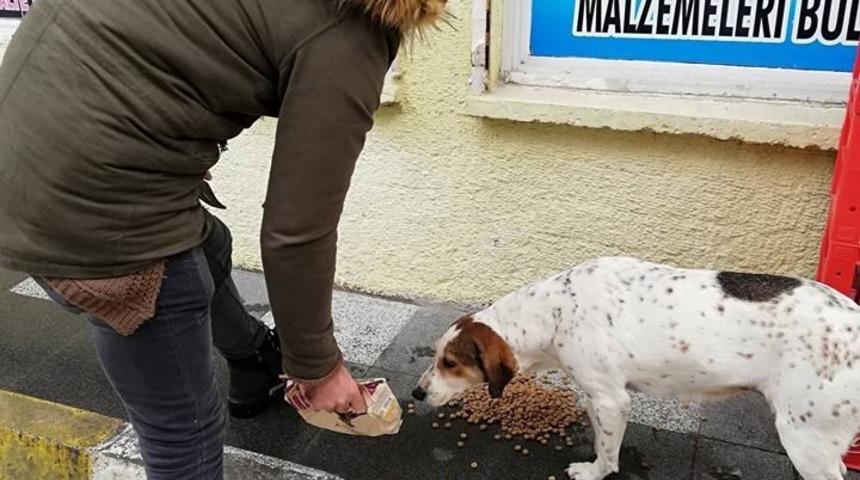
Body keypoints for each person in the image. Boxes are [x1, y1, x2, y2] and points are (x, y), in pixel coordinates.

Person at [0, 0, 446, 478]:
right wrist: (318, 369)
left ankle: (254, 359)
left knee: (207, 246)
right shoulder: (349, 28)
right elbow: (296, 232)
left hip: (20, 143)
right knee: (182, 430)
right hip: (92, 208)